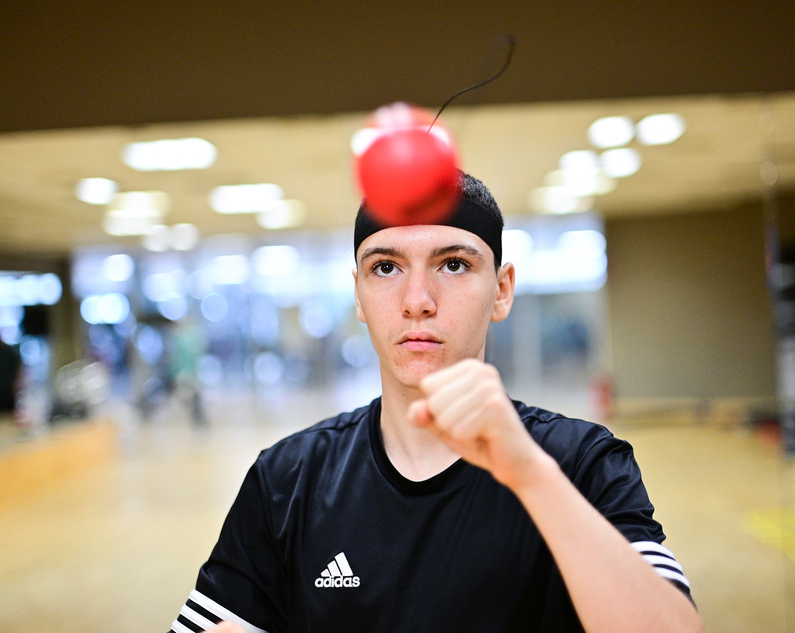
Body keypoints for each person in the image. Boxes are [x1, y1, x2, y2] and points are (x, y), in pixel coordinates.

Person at [170, 172, 703, 632]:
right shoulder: (288, 480)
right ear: (357, 294)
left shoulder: (582, 462)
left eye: (452, 265)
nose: (417, 302)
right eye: (386, 268)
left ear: (501, 290)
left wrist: (530, 476)